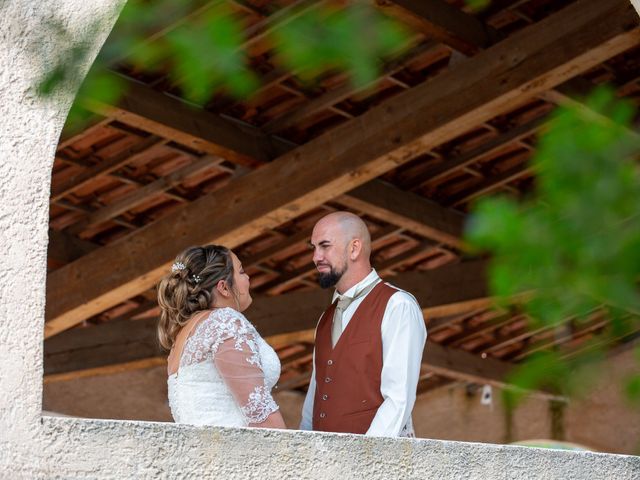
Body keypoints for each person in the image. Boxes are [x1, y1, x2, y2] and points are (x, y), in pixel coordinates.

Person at [300, 212, 426, 437]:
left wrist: (364, 464)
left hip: (375, 464)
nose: (315, 257)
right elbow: (315, 397)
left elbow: (398, 399)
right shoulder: (326, 318)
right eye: (313, 247)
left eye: (325, 246)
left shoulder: (397, 305)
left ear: (354, 248)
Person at [157, 245, 286, 429]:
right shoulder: (225, 322)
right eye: (241, 271)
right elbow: (259, 412)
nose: (248, 277)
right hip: (237, 452)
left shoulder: (184, 335)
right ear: (224, 287)